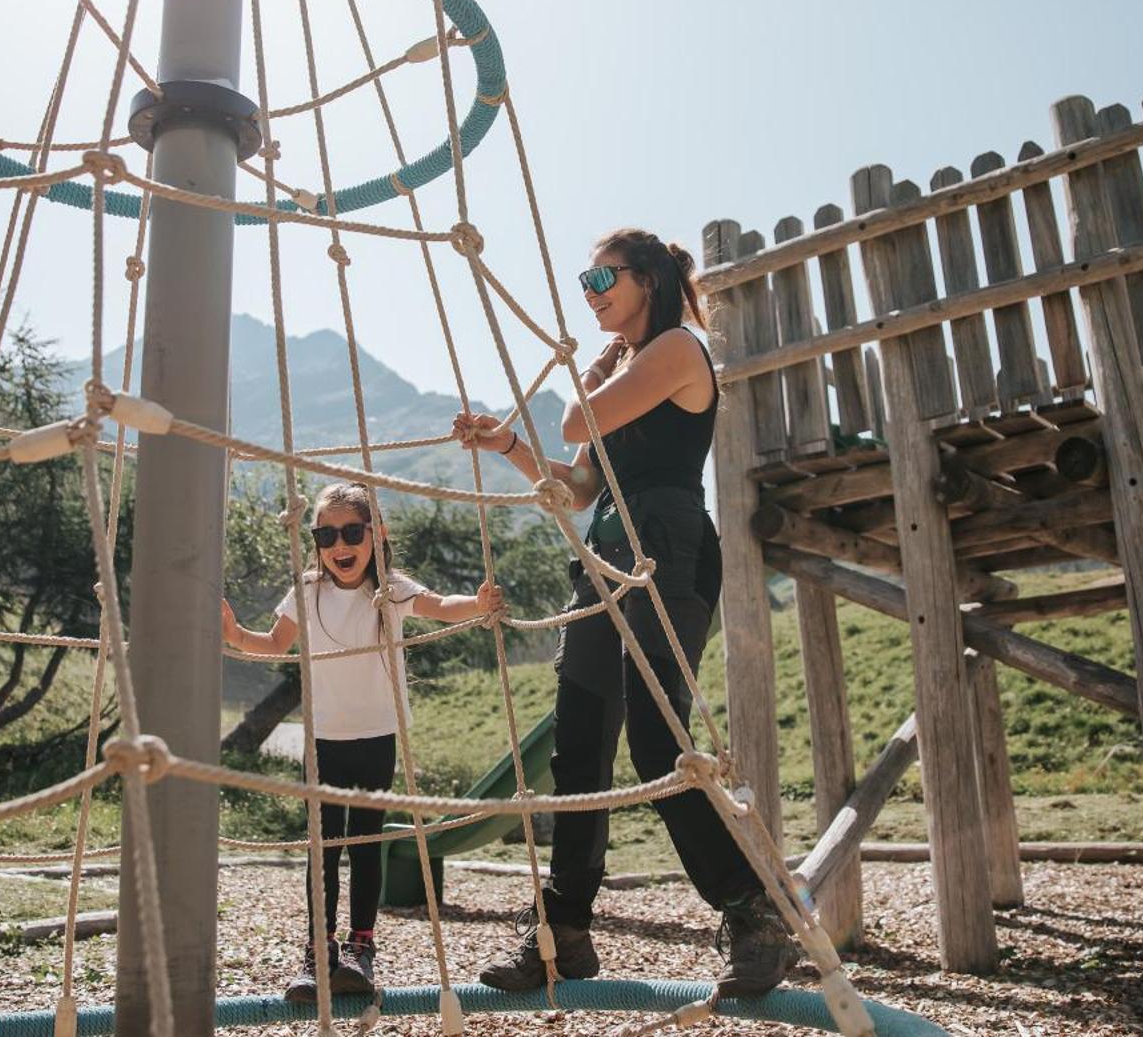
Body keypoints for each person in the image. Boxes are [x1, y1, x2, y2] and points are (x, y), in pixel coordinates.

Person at [454, 227, 797, 998]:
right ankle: (564, 931)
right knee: (578, 752)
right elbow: (576, 488)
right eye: (585, 280)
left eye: (602, 276)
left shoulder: (677, 349)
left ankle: (752, 914)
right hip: (608, 556)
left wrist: (596, 374)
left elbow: (579, 425)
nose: (591, 292)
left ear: (647, 279)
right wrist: (509, 443)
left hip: (666, 551)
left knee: (658, 743)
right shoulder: (629, 368)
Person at [221, 481, 505, 1002]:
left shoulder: (388, 589)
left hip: (376, 734)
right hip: (325, 738)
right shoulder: (307, 591)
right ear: (316, 542)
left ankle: (361, 947)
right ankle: (317, 951)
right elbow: (273, 643)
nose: (339, 546)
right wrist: (236, 635)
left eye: (352, 532)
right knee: (323, 846)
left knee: (366, 842)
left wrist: (478, 603)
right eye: (326, 535)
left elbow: (441, 606)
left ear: (376, 534)